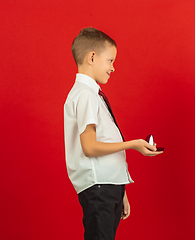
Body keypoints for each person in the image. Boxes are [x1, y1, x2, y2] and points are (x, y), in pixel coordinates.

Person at [64, 27, 163, 240]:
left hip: (108, 186)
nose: (113, 67)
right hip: (100, 187)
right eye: (110, 60)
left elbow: (104, 141)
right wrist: (133, 144)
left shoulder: (92, 95)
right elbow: (89, 147)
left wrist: (121, 189)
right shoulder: (85, 95)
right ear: (92, 57)